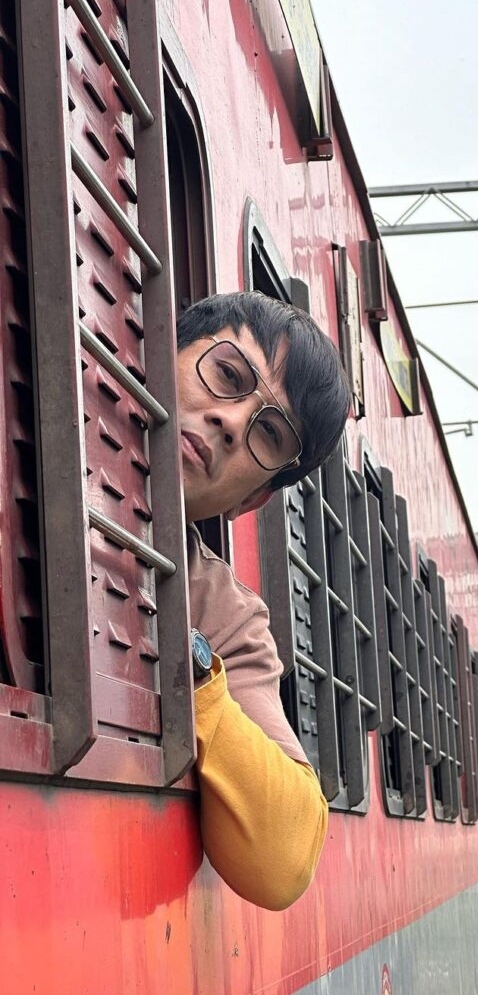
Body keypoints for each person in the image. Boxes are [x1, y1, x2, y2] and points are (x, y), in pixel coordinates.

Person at [175, 291, 350, 911]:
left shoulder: (223, 615)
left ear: (252, 501)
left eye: (268, 434)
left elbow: (283, 860)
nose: (230, 419)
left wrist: (185, 653)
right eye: (227, 375)